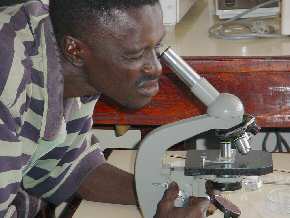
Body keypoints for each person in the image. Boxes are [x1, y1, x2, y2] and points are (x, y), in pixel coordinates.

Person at [0, 0, 210, 217]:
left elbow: (69, 168)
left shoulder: (75, 58)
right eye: (135, 55)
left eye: (156, 47)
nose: (156, 68)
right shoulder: (7, 80)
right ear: (75, 50)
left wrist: (173, 194)